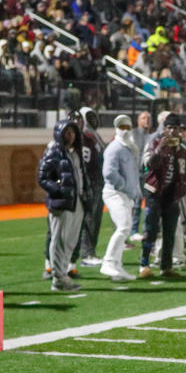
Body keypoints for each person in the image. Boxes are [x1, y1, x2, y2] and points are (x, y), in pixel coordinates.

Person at [37, 118, 88, 292]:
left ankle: (63, 273)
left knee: (71, 240)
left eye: (73, 132)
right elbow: (42, 177)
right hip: (62, 203)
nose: (70, 135)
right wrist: (58, 189)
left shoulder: (75, 152)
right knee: (59, 240)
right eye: (67, 132)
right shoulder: (54, 152)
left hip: (76, 201)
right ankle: (58, 278)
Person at [139, 113, 186, 278]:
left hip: (171, 194)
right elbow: (147, 165)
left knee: (170, 231)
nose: (172, 131)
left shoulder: (182, 151)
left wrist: (182, 189)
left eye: (175, 128)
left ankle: (166, 266)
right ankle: (144, 265)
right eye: (169, 128)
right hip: (154, 192)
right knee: (151, 229)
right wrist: (160, 148)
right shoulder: (154, 143)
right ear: (164, 129)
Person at [99, 115, 139, 281]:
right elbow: (108, 172)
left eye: (127, 127)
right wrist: (123, 185)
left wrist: (134, 190)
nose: (125, 130)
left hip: (125, 194)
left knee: (125, 228)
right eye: (121, 127)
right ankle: (108, 262)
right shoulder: (114, 148)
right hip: (114, 192)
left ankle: (117, 266)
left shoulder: (129, 147)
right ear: (116, 129)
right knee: (123, 226)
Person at [77, 107, 106, 266]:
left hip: (99, 183)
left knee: (95, 219)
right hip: (90, 184)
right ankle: (87, 254)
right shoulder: (83, 138)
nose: (93, 120)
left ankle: (91, 251)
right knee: (88, 220)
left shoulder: (95, 137)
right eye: (90, 117)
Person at [128, 111, 152, 241]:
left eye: (148, 118)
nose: (146, 120)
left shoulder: (151, 135)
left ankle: (146, 230)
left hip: (147, 173)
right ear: (138, 121)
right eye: (143, 118)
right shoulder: (133, 134)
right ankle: (133, 230)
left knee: (148, 203)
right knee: (136, 202)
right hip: (136, 172)